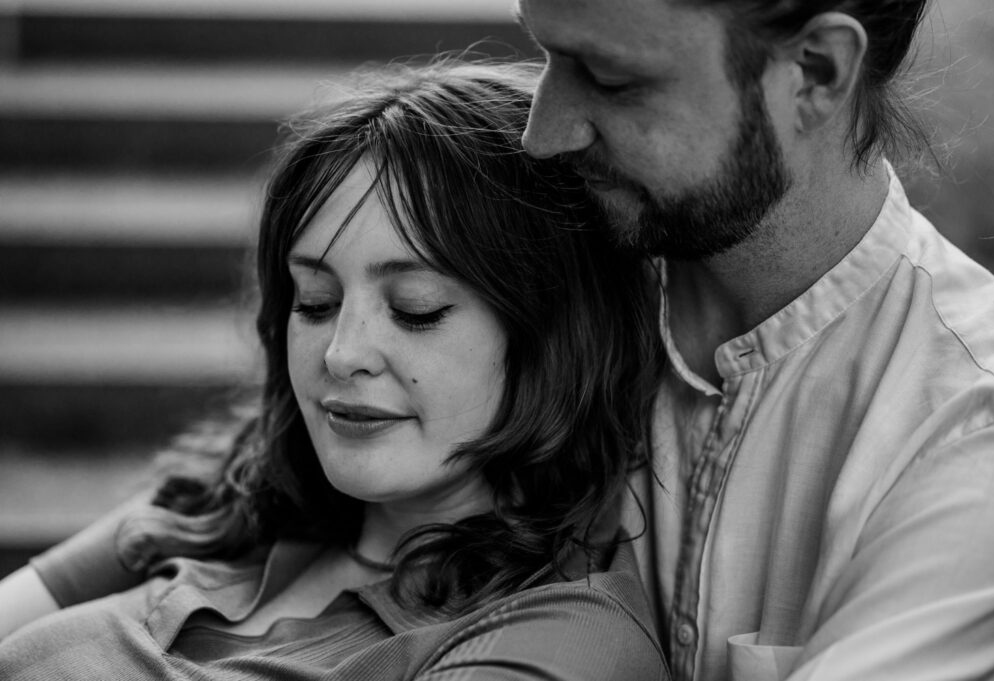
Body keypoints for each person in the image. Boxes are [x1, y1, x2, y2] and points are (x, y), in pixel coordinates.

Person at [0, 59, 670, 680]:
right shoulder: (224, 496)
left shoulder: (559, 637)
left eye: (415, 310)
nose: (341, 353)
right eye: (315, 301)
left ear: (555, 334)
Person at [515, 0, 994, 679]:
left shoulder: (978, 430)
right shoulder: (523, 272)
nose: (541, 133)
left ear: (815, 72)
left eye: (610, 79)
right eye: (544, 56)